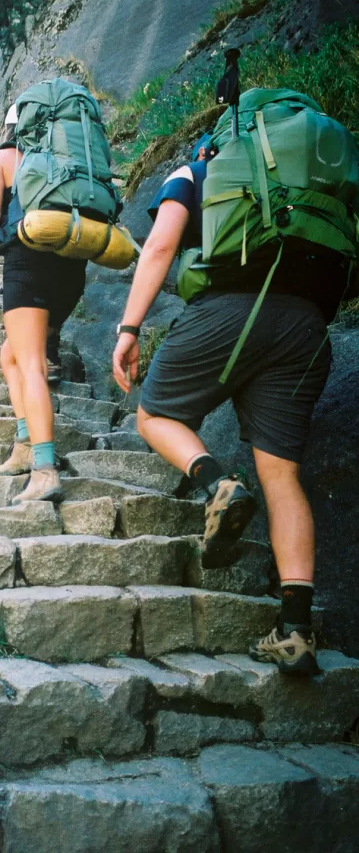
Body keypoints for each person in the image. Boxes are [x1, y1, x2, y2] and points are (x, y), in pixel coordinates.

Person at [111, 138, 350, 676]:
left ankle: (215, 481)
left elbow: (159, 246)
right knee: (282, 474)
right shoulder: (316, 178)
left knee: (153, 414)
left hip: (229, 310)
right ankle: (295, 630)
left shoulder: (199, 170)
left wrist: (129, 328)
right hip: (307, 327)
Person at [0, 104, 87, 503]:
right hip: (72, 269)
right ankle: (24, 444)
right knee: (11, 355)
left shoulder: (2, 158)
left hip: (28, 265)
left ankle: (44, 469)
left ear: (11, 127)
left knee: (31, 363)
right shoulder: (73, 160)